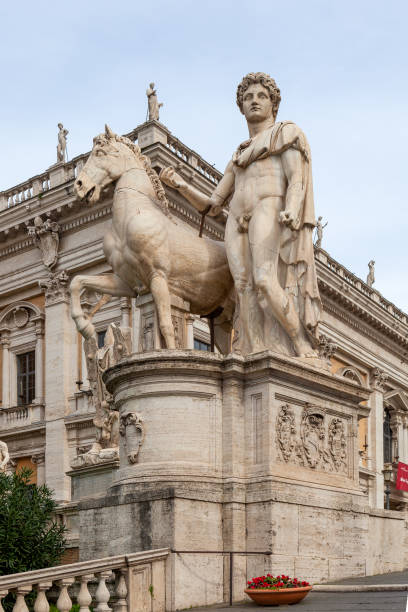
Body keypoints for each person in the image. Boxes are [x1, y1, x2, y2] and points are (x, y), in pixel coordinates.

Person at [160, 72, 321, 358]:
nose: (254, 101)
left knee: (264, 279)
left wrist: (293, 208)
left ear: (273, 104)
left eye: (261, 96)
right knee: (244, 287)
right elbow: (213, 205)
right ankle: (255, 351)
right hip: (236, 218)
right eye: (248, 98)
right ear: (241, 106)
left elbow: (296, 178)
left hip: (268, 207)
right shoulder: (239, 154)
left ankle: (300, 344)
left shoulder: (284, 134)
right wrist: (181, 186)